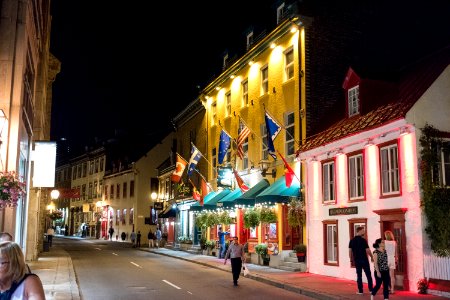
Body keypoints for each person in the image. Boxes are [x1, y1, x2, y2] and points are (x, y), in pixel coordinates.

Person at [349, 226, 373, 295]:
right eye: (363, 230)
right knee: (368, 274)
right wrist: (371, 257)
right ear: (359, 231)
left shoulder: (352, 240)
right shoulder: (363, 240)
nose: (364, 232)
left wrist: (351, 259)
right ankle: (371, 289)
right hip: (364, 260)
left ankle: (360, 291)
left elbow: (350, 251)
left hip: (357, 260)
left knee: (359, 275)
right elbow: (367, 250)